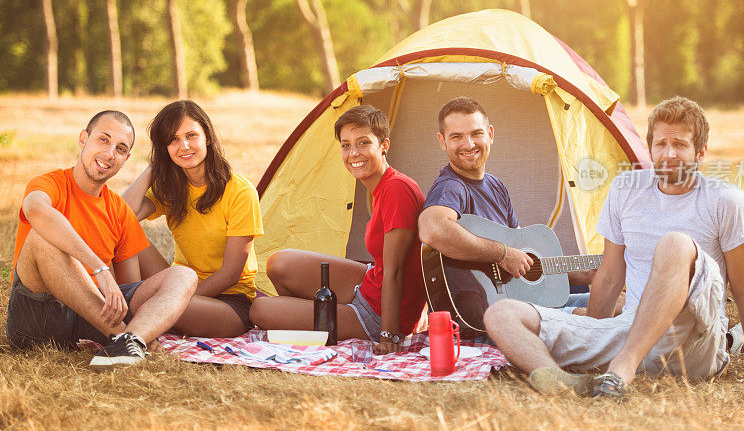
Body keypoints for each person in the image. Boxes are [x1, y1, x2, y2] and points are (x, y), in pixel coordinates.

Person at [483, 96, 744, 401]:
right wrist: (591, 335)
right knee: (501, 313)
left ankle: (623, 367)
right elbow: (609, 276)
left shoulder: (727, 200)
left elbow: (743, 288)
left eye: (680, 145)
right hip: (630, 327)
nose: (668, 154)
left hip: (695, 341)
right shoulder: (626, 190)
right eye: (660, 144)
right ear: (650, 148)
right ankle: (558, 378)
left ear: (700, 152)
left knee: (674, 243)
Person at [5, 110, 197, 369]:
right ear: (84, 139)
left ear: (126, 158)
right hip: (40, 317)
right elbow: (36, 210)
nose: (109, 154)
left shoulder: (117, 209)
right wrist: (100, 270)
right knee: (42, 238)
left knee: (184, 275)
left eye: (120, 148)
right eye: (103, 140)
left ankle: (130, 341)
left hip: (95, 319)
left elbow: (131, 289)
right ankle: (121, 337)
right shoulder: (50, 183)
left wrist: (137, 325)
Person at [249, 105, 427, 354]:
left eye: (364, 143)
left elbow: (395, 272)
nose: (353, 153)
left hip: (380, 315)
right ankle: (315, 316)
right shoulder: (382, 186)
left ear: (384, 145)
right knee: (279, 263)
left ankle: (317, 319)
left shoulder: (398, 189)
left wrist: (388, 336)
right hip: (369, 282)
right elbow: (386, 268)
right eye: (345, 145)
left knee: (260, 310)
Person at [417, 97, 596, 322]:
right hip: (490, 314)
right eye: (456, 137)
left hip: (522, 304)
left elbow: (524, 259)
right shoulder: (451, 187)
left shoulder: (495, 186)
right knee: (597, 315)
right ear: (442, 142)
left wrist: (588, 273)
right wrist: (501, 254)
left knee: (616, 301)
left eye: (476, 134)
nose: (469, 144)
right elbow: (432, 229)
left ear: (490, 134)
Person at [123, 100, 264, 338]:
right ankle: (130, 301)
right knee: (125, 234)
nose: (184, 146)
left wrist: (172, 298)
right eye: (173, 140)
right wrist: (154, 167)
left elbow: (230, 274)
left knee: (162, 308)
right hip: (179, 284)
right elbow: (121, 217)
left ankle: (126, 315)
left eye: (191, 135)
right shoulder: (171, 188)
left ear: (207, 137)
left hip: (229, 302)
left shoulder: (241, 192)